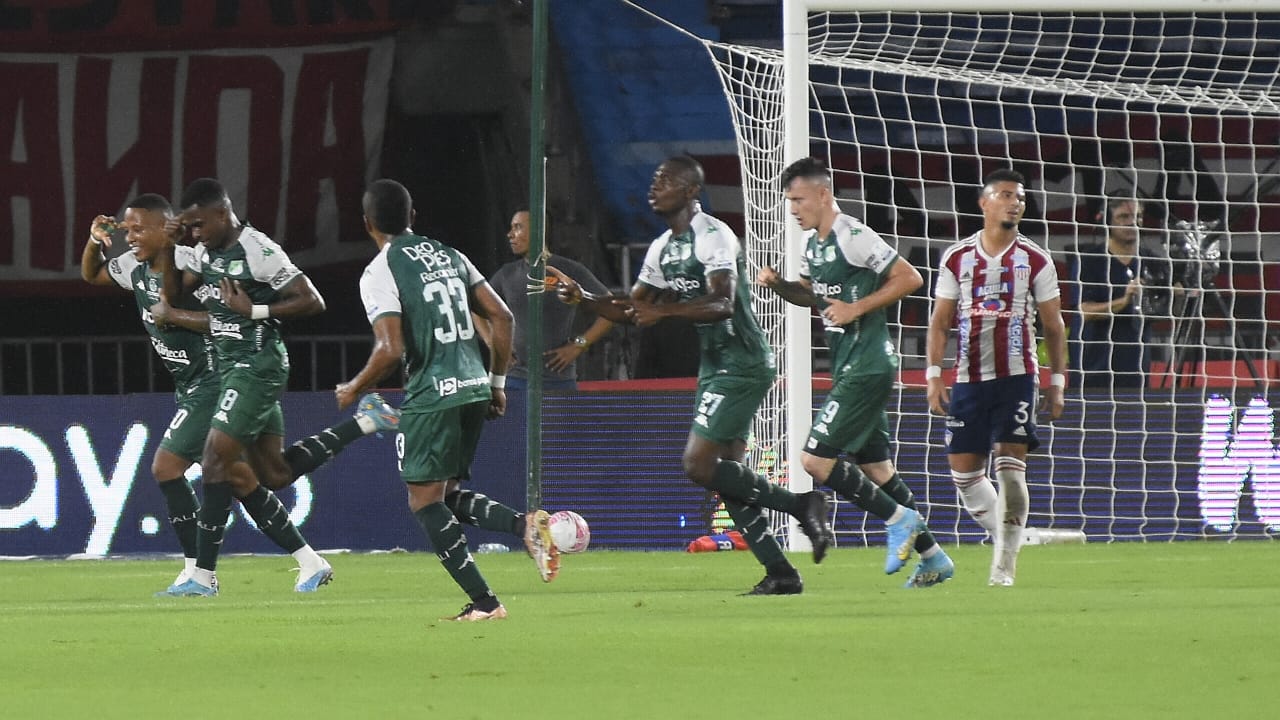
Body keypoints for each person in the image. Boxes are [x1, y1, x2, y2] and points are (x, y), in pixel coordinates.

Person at [82, 194, 400, 595]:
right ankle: (311, 559)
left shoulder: (192, 265)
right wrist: (96, 241)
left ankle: (196, 572)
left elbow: (223, 319)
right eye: (126, 229)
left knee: (167, 468)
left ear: (164, 229)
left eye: (138, 228)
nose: (129, 236)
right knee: (259, 475)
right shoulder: (133, 266)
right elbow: (92, 275)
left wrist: (175, 312)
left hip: (216, 382)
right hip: (210, 381)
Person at [551, 155, 834, 595]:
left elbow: (722, 302)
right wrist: (585, 299)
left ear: (689, 191)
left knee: (698, 464)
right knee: (731, 476)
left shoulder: (713, 236)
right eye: (654, 179)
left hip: (742, 360)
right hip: (714, 364)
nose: (653, 186)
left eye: (664, 180)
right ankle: (781, 573)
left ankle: (802, 503)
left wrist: (660, 311)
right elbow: (631, 309)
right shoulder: (664, 247)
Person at [335, 178, 560, 622]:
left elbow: (390, 349)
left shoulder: (380, 271)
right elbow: (502, 315)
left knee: (423, 502)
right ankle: (525, 527)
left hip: (432, 393)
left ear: (367, 225)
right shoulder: (449, 254)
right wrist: (496, 382)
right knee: (446, 494)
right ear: (413, 217)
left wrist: (354, 387)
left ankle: (486, 602)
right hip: (474, 386)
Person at [757, 157, 954, 588]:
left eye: (798, 200)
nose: (792, 209)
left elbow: (910, 277)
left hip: (868, 365)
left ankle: (898, 519)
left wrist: (856, 308)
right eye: (789, 201)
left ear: (824, 194)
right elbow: (810, 296)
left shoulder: (854, 234)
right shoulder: (814, 245)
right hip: (851, 365)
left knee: (814, 460)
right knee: (878, 470)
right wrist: (779, 285)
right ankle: (935, 559)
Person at [159, 179, 344, 596]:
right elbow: (172, 296)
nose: (195, 234)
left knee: (214, 460)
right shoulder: (204, 249)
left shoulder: (259, 250)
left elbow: (313, 300)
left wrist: (255, 309)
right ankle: (363, 426)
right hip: (232, 369)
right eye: (189, 227)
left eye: (199, 225)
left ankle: (202, 576)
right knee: (273, 473)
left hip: (256, 367)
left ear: (222, 215)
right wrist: (172, 249)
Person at [925, 169, 1067, 587]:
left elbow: (1054, 326)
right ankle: (1017, 536)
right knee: (965, 477)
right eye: (1005, 195)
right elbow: (939, 322)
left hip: (1018, 377)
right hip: (968, 379)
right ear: (984, 203)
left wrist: (1056, 382)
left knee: (1010, 471)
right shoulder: (956, 257)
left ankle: (1004, 567)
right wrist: (934, 376)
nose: (1014, 202)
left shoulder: (1036, 259)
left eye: (1020, 198)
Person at [486, 209, 614, 391]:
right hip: (515, 380)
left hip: (558, 381)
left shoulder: (569, 270)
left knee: (558, 420)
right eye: (511, 227)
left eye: (518, 227)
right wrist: (494, 344)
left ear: (539, 230)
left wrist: (579, 345)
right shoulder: (507, 274)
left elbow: (611, 308)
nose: (510, 234)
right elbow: (478, 310)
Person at [1069, 195, 1168, 390]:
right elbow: (1085, 312)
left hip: (1136, 366)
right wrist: (1124, 301)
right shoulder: (1088, 260)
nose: (1132, 222)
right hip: (1093, 365)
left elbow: (1164, 308)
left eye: (1137, 216)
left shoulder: (1153, 261)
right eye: (1123, 216)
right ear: (1107, 220)